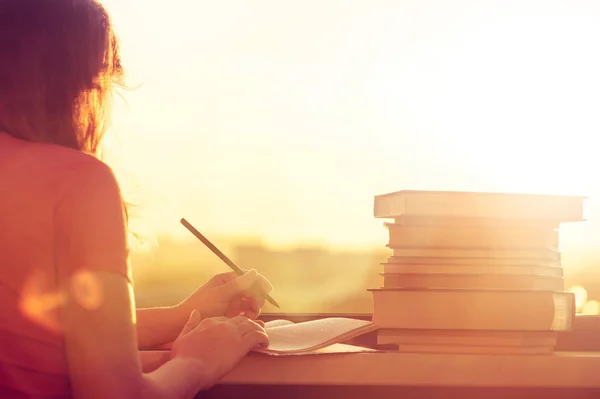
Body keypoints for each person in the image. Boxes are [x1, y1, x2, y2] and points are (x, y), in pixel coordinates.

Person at [0, 0, 273, 398]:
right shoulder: (77, 181)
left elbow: (33, 331)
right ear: (79, 86)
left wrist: (181, 317)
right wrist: (196, 362)